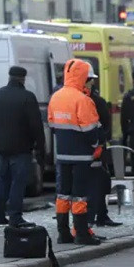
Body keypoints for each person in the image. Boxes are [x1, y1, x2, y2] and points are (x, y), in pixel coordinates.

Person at [48, 59, 102, 246]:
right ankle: (81, 233)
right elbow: (90, 130)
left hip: (62, 154)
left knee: (63, 194)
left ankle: (63, 233)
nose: (92, 83)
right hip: (81, 155)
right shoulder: (83, 100)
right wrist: (96, 144)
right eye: (90, 79)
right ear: (82, 78)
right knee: (80, 195)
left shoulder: (56, 97)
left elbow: (52, 124)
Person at [0, 66, 45, 226]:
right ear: (23, 79)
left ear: (10, 77)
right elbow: (36, 126)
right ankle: (15, 216)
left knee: (3, 180)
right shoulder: (27, 97)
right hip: (22, 149)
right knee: (18, 182)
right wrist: (40, 147)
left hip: (2, 148)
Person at [83, 70, 122, 229]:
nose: (91, 82)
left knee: (96, 182)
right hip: (95, 149)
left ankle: (97, 215)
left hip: (86, 149)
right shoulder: (95, 101)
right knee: (97, 183)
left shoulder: (91, 100)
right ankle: (95, 216)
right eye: (90, 80)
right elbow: (106, 125)